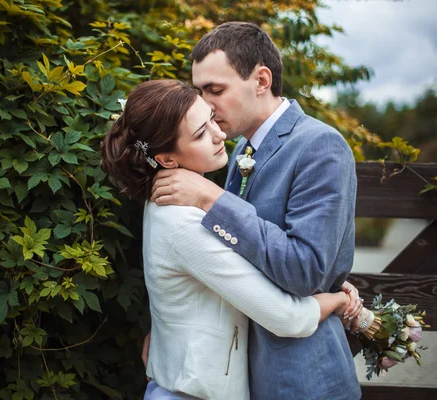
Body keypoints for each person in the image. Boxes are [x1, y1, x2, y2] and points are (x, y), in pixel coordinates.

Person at [100, 79, 362, 399]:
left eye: (211, 117)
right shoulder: (184, 220)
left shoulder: (175, 201)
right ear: (167, 160)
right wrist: (337, 300)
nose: (219, 134)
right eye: (200, 133)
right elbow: (286, 317)